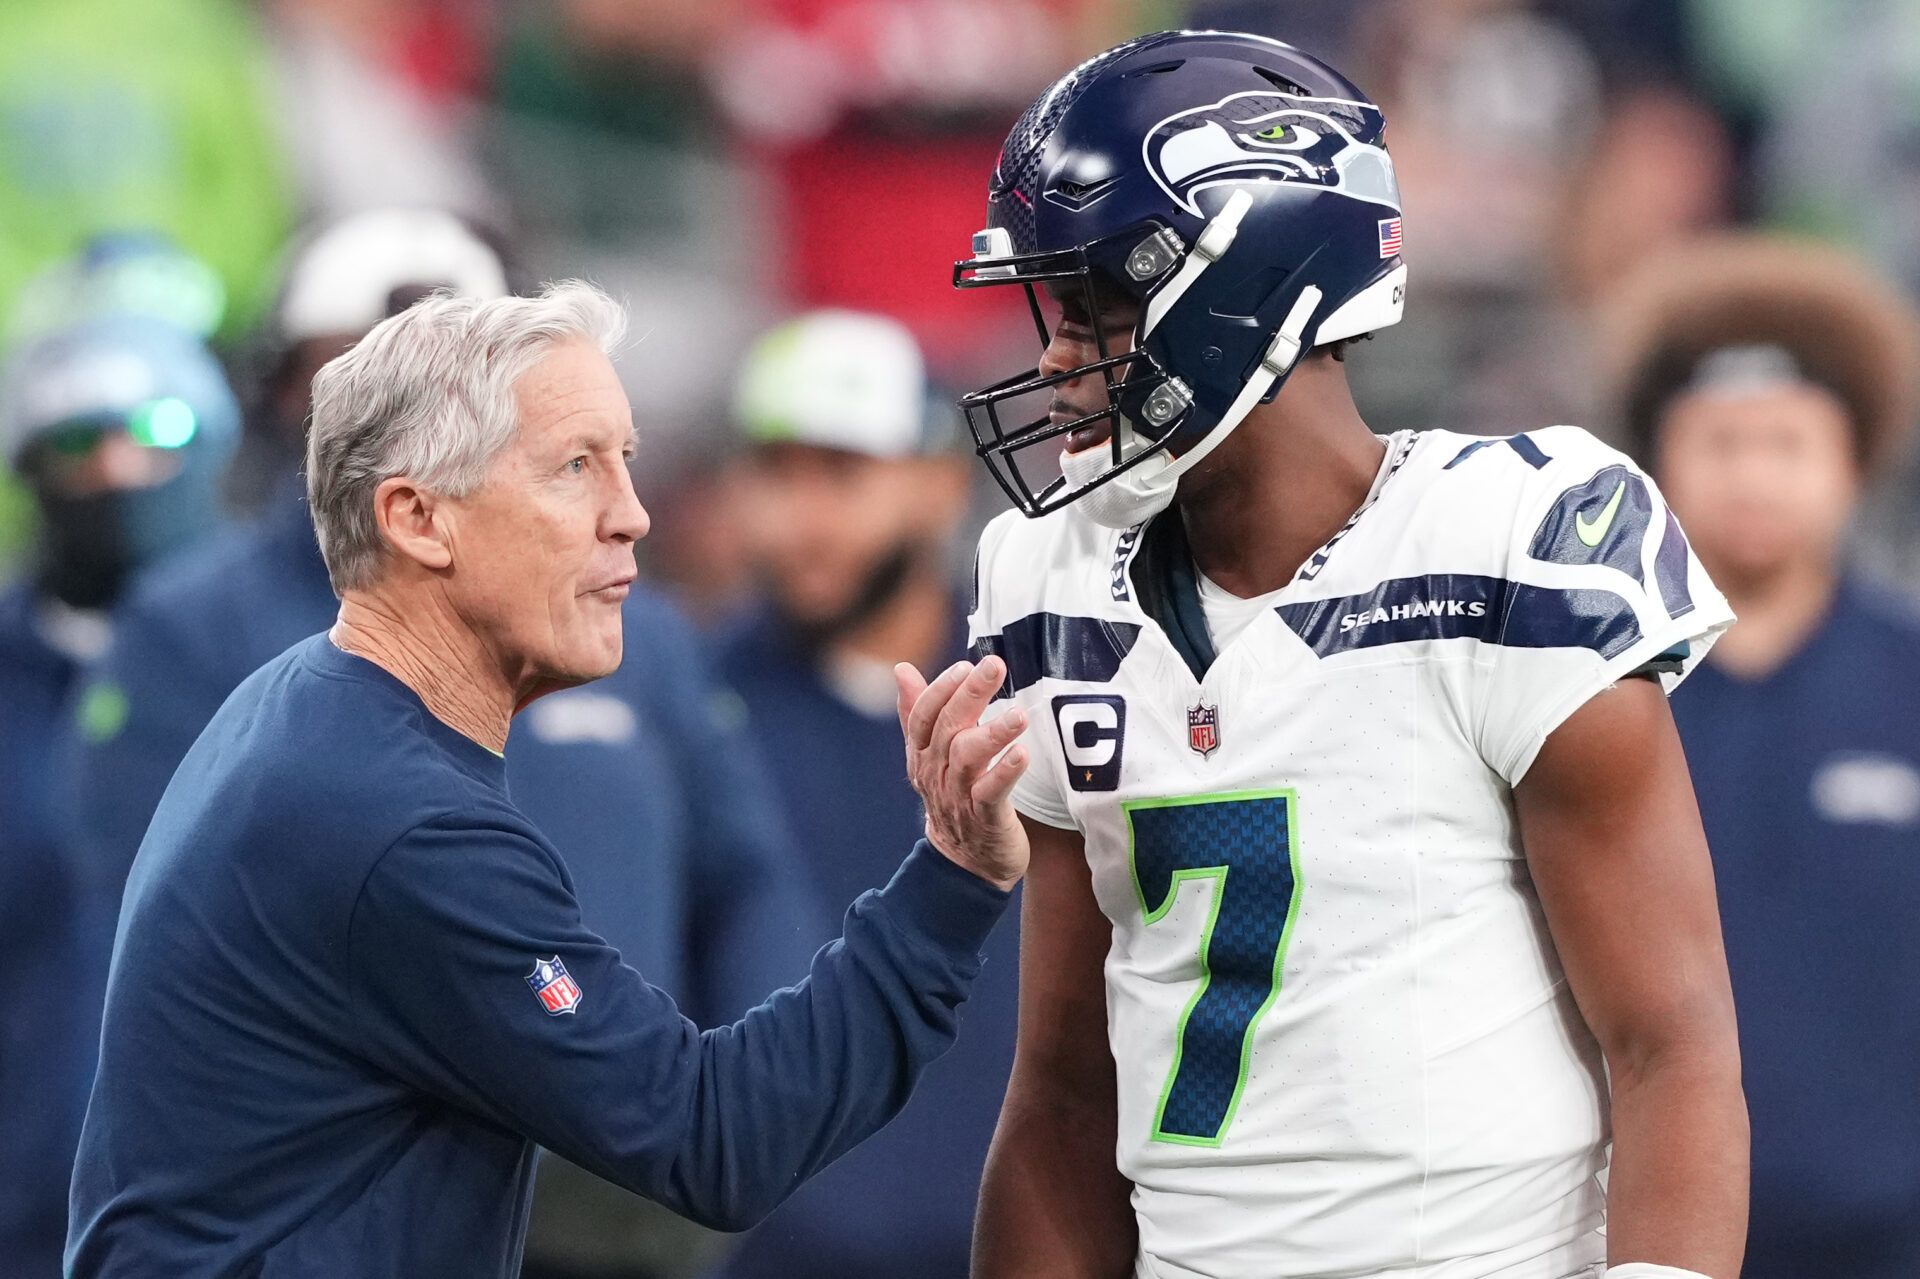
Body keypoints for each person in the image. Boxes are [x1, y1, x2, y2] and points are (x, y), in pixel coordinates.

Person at [951, 31, 1746, 1279]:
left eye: (1096, 308)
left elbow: (1671, 1040)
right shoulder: (1043, 581)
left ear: (1245, 285)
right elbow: (1060, 1099)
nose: (1055, 361)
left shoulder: (1509, 543)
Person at [66, 282, 1033, 1277]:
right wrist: (954, 877)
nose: (634, 516)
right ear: (418, 518)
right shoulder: (398, 820)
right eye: (575, 467)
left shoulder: (307, 710)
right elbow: (714, 1139)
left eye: (628, 461)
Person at [1609, 235, 1920, 1279]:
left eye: (1788, 442)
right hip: (1649, 1232)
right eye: (1721, 440)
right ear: (1659, 458)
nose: (1753, 473)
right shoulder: (1592, 692)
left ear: (1854, 459)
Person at [714, 310, 1018, 1279]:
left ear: (937, 486)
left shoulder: (1035, 695)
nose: (799, 516)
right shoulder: (688, 703)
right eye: (776, 472)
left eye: (841, 475)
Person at [0, 311, 239, 1278]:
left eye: (157, 434)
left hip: (248, 1222)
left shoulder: (307, 667)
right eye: (74, 443)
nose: (115, 470)